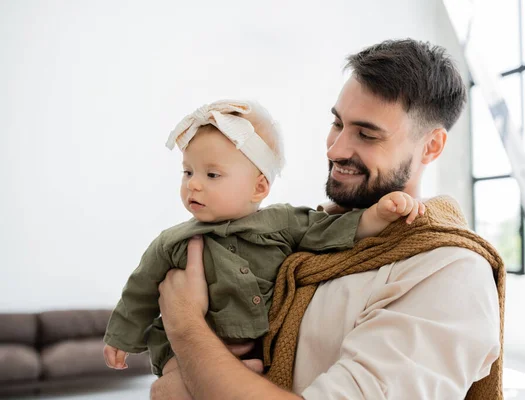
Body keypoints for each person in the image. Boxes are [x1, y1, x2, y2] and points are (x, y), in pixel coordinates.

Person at [151, 39, 503, 399]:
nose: (335, 150)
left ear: (431, 146)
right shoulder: (313, 239)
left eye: (366, 134)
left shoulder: (450, 273)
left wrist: (186, 328)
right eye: (337, 123)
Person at [102, 99, 424, 376]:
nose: (193, 185)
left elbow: (331, 230)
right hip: (185, 351)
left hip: (260, 349)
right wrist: (121, 337)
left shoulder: (281, 221)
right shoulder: (173, 242)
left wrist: (378, 216)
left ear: (259, 187)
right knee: (176, 373)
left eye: (212, 174)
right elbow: (140, 290)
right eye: (188, 172)